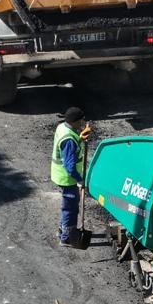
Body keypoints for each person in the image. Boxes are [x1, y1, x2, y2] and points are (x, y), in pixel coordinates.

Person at [51, 106, 88, 247]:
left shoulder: (62, 127)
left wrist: (80, 138)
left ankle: (62, 230)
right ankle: (66, 238)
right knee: (71, 208)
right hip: (67, 178)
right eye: (80, 121)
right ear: (74, 122)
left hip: (59, 174)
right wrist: (80, 180)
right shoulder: (69, 140)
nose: (82, 123)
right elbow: (70, 166)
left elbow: (71, 143)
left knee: (68, 206)